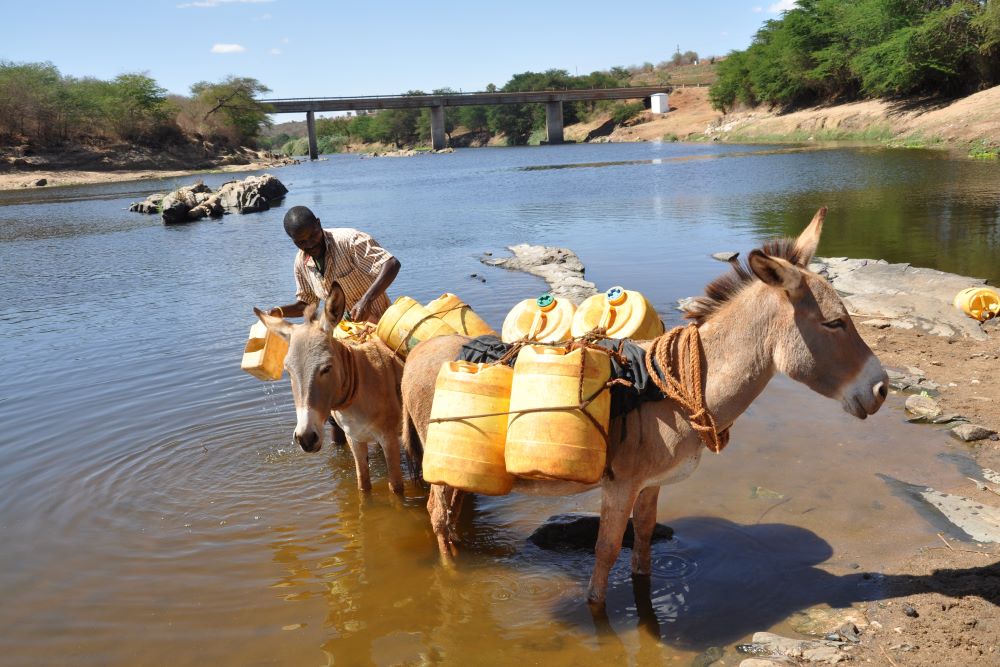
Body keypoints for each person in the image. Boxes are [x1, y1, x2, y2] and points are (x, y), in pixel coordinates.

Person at [269, 205, 401, 323]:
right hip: (347, 331)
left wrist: (366, 300)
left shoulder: (349, 241)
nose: (310, 244)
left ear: (318, 223)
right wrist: (279, 311)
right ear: (294, 241)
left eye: (313, 235)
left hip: (383, 324)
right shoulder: (300, 263)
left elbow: (391, 264)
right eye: (301, 242)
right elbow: (307, 304)